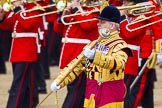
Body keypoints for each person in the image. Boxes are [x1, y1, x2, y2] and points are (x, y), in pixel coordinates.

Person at [51, 5, 132, 108]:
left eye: (102, 22)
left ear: (112, 26)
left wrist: (95, 56)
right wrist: (60, 81)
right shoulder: (93, 44)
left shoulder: (120, 45)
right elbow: (77, 64)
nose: (98, 25)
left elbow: (118, 63)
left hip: (110, 97)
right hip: (91, 95)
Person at [53, 0, 99, 107]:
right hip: (70, 55)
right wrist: (63, 15)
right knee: (75, 90)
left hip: (81, 56)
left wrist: (76, 9)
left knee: (75, 90)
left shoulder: (95, 11)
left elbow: (86, 25)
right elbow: (57, 28)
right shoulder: (76, 11)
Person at [0, 0, 43, 107]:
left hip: (26, 51)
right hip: (17, 51)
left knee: (18, 85)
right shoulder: (19, 9)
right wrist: (2, 18)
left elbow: (26, 24)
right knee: (25, 84)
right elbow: (8, 25)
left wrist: (19, 9)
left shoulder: (36, 8)